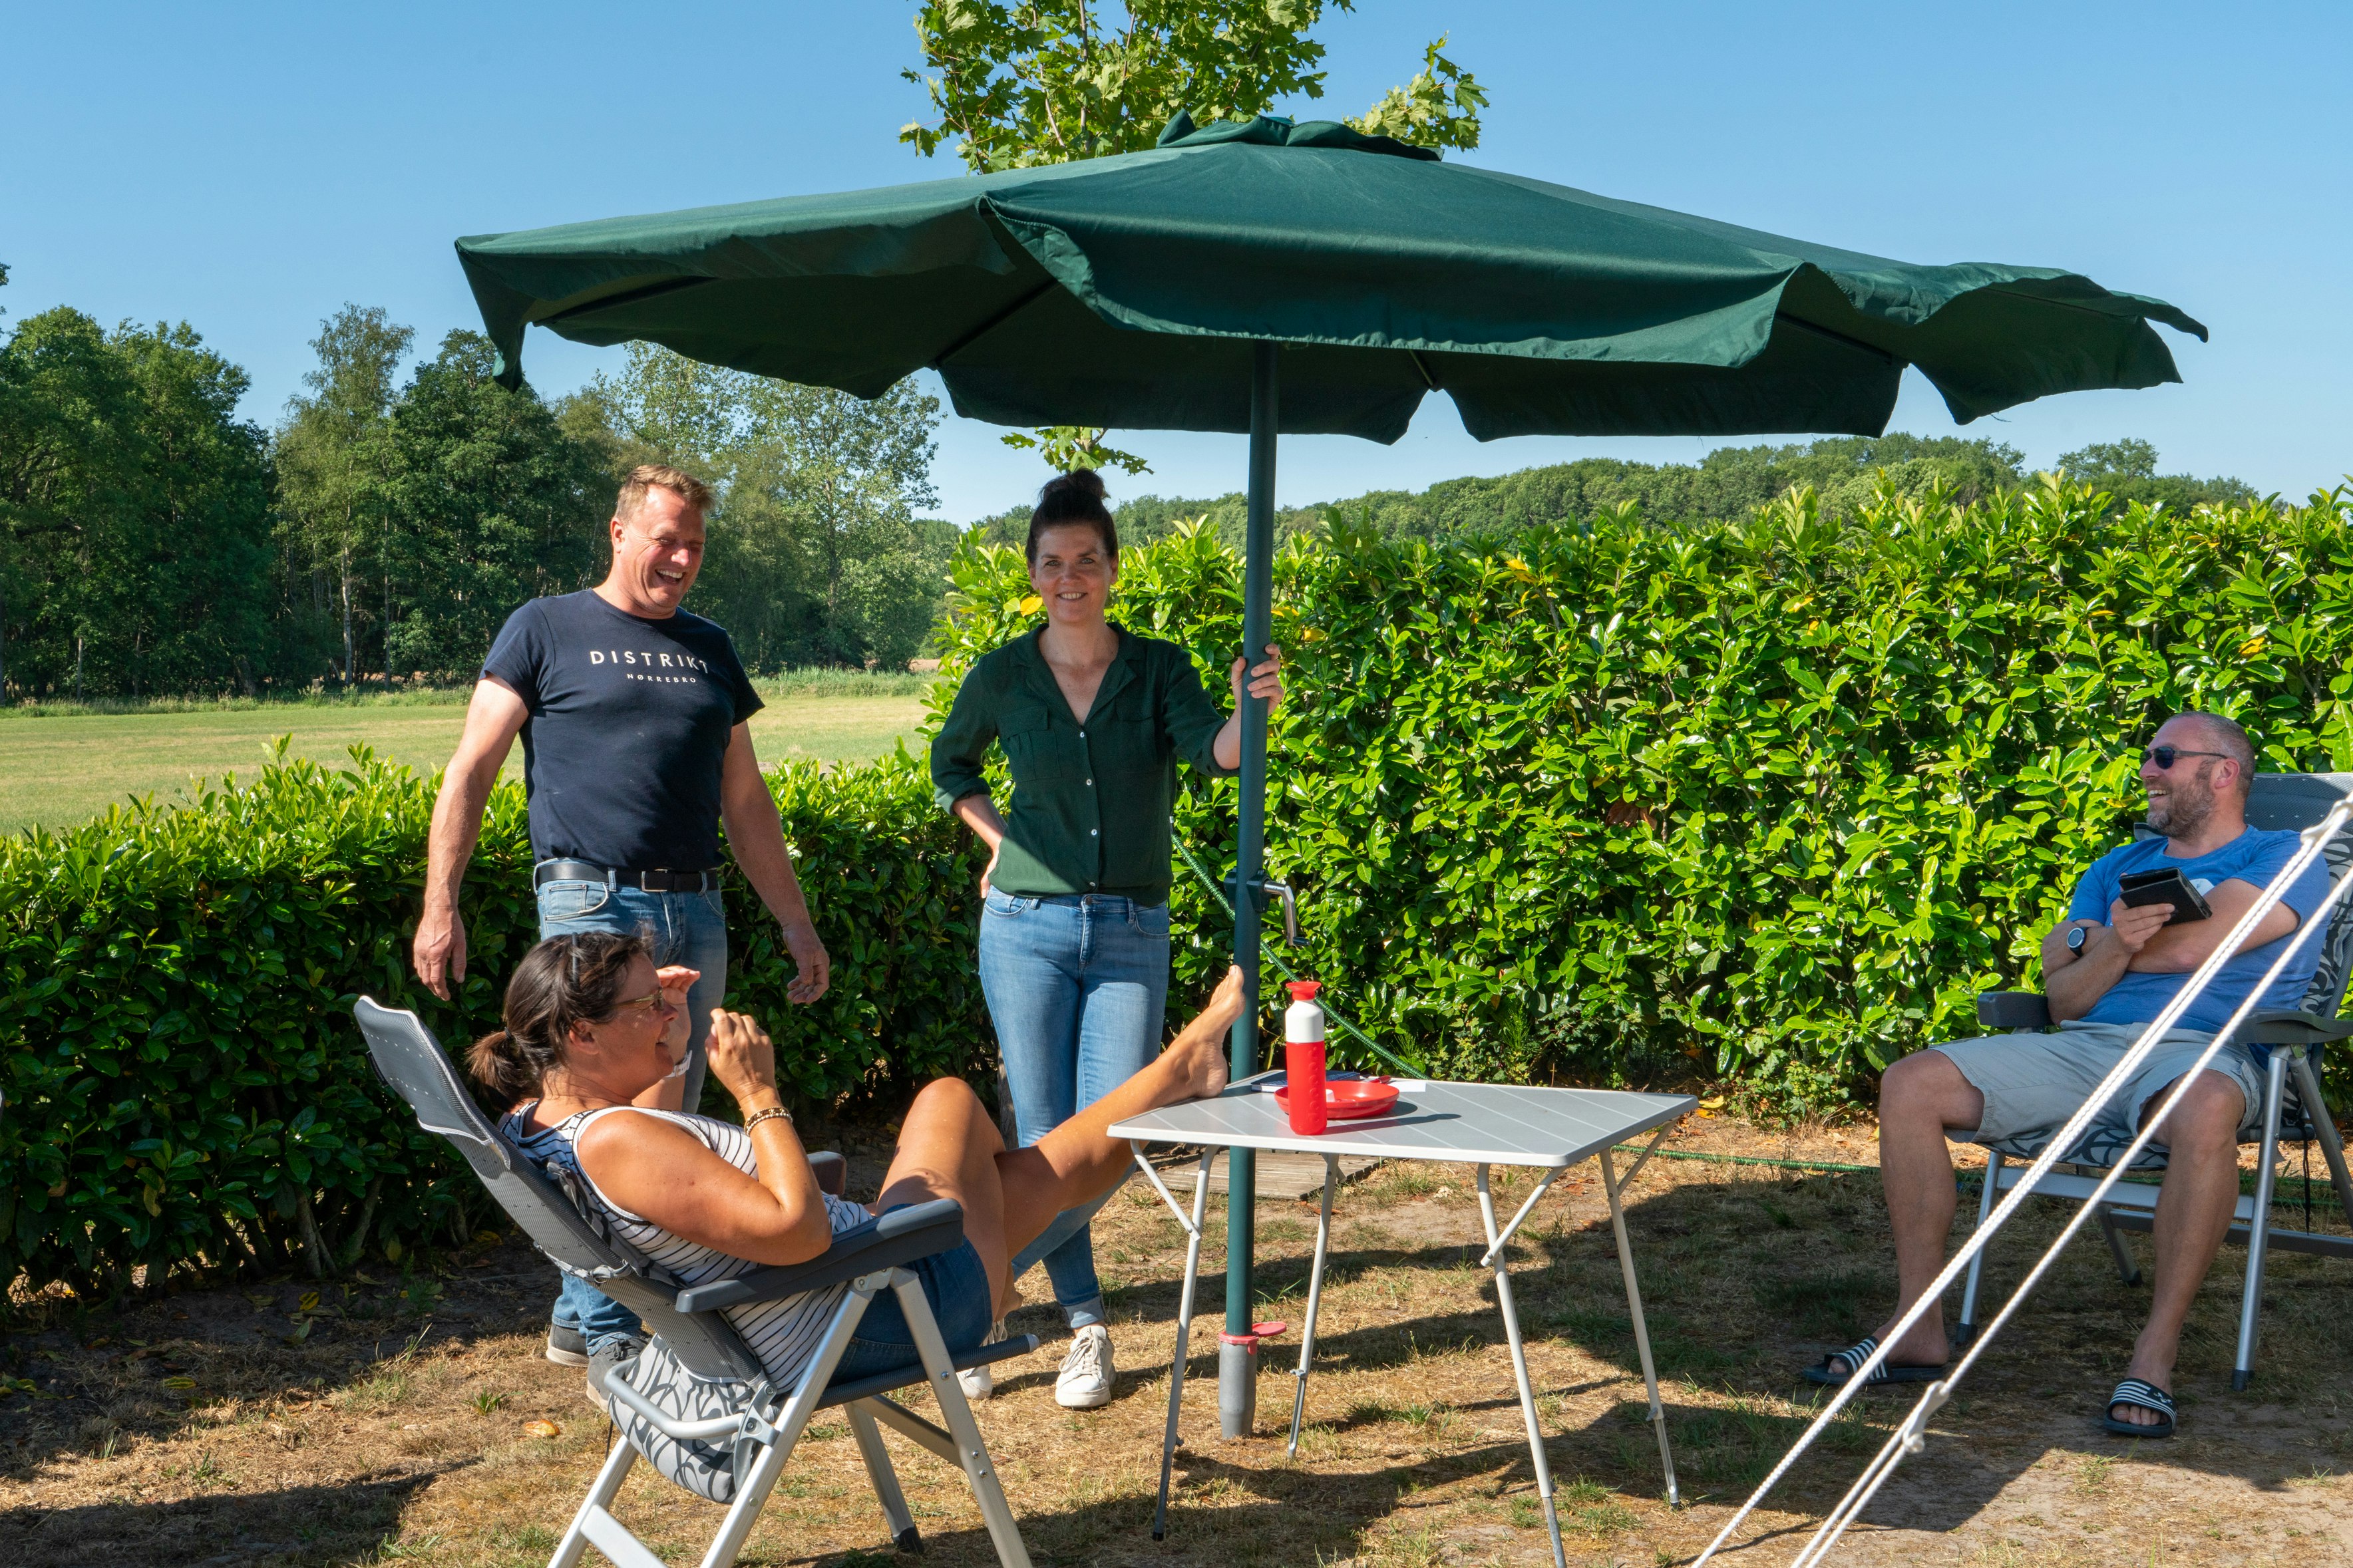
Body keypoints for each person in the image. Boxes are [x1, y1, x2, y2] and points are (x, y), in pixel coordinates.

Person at [411, 462, 832, 1378]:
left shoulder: (711, 646)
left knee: (665, 1129)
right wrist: (441, 902)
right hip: (587, 902)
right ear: (618, 532)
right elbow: (472, 768)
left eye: (695, 545)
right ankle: (610, 1339)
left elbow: (747, 800)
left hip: (696, 903)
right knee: (596, 1124)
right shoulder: (544, 627)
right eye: (666, 538)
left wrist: (795, 923)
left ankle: (586, 1318)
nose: (680, 558)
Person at [1809, 712, 2331, 1436]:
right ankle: (1915, 1323)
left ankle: (2153, 1355)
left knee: (2205, 1101)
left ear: (2221, 771)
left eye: (2163, 756)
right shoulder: (2112, 867)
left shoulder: (2283, 855)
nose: (2145, 769)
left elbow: (2201, 950)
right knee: (1908, 1081)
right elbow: (2064, 995)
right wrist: (2109, 943)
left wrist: (2096, 941)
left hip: (2205, 1047)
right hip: (2085, 1045)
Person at [468, 930, 1244, 1399]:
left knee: (1011, 1182)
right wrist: (758, 1092)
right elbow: (796, 1230)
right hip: (878, 1305)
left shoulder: (540, 1122)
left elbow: (652, 1143)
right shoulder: (615, 1143)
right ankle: (1177, 1069)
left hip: (838, 1296)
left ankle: (1174, 1075)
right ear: (580, 1034)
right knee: (950, 1101)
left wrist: (660, 1028)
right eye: (649, 1007)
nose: (669, 1013)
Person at [929, 469, 1284, 1410]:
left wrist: (1253, 712)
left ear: (1114, 570)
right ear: (1034, 573)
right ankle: (1083, 1325)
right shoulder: (1003, 673)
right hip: (1024, 928)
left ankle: (982, 1299)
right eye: (1053, 563)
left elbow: (1213, 753)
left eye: (1087, 560)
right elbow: (949, 764)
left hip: (1131, 925)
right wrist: (1001, 842)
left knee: (1115, 1134)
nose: (1070, 577)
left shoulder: (1158, 666)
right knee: (1042, 1136)